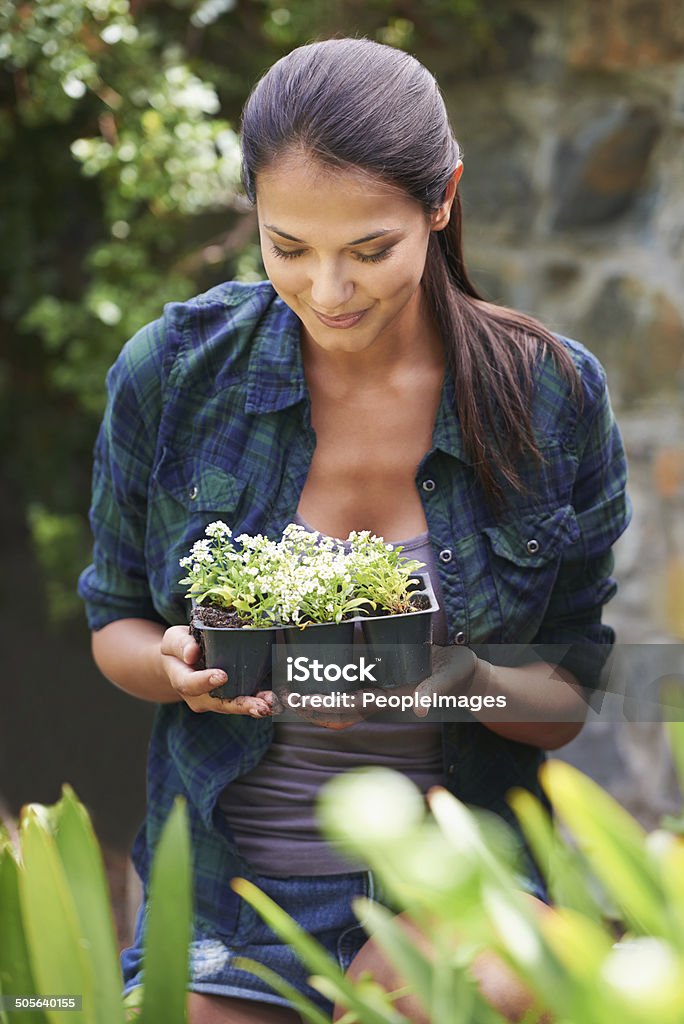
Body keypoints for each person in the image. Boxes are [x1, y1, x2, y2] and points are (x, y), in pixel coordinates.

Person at [78, 36, 631, 1024]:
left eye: (369, 250)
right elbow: (114, 618)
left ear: (442, 199)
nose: (328, 292)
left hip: (452, 879)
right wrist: (178, 670)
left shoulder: (552, 395)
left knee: (437, 999)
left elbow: (566, 697)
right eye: (288, 247)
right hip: (228, 902)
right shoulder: (172, 373)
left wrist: (436, 673)